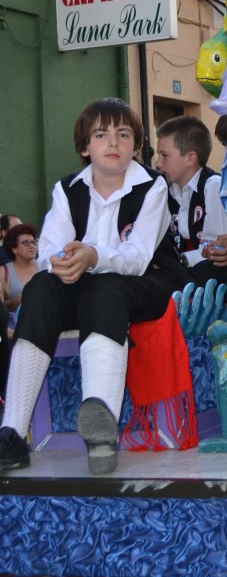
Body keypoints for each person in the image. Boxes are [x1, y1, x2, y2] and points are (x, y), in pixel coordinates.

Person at [0, 97, 189, 474]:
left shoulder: (152, 186)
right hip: (83, 284)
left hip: (143, 283)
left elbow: (137, 257)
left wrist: (92, 256)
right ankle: (12, 433)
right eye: (101, 135)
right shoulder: (67, 188)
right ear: (85, 147)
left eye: (124, 134)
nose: (114, 142)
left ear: (135, 145)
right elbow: (48, 248)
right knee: (40, 287)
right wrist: (61, 260)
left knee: (106, 289)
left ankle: (101, 425)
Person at [156, 115, 227, 287]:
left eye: (164, 155)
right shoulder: (167, 190)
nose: (158, 163)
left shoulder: (213, 186)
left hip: (212, 277)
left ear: (190, 158)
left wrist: (181, 261)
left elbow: (219, 249)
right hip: (187, 271)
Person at [0, 222, 39, 325]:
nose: (32, 246)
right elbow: (2, 307)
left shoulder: (44, 266)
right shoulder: (3, 272)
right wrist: (19, 299)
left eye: (33, 242)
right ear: (14, 249)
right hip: (16, 326)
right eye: (26, 243)